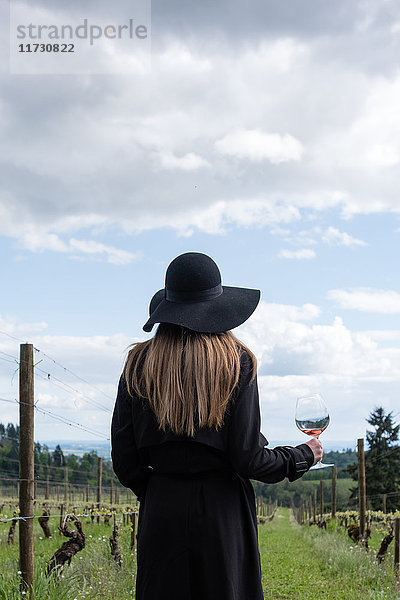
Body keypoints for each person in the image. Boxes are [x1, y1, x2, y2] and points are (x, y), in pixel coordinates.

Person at [111, 252, 322, 600]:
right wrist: (300, 456)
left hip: (162, 508)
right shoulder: (237, 361)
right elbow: (248, 458)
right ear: (218, 309)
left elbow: (125, 460)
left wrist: (162, 490)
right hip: (223, 513)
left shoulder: (137, 364)